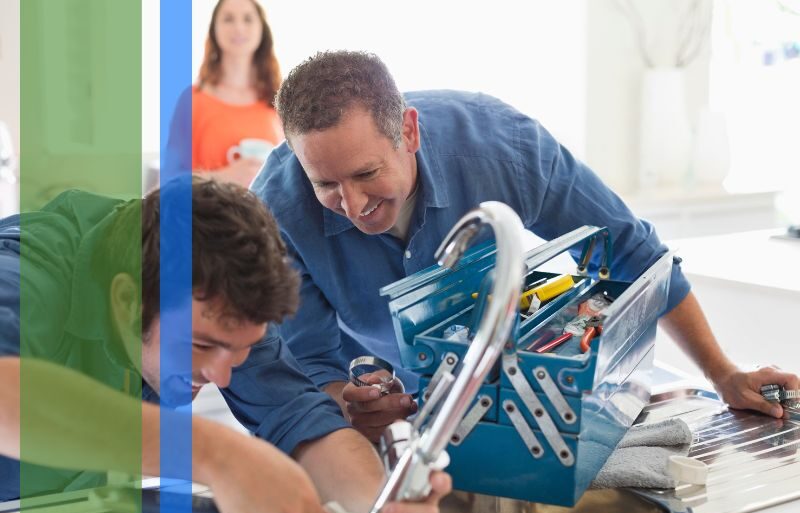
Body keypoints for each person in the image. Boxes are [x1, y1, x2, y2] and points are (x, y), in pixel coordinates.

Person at [251, 50, 799, 443]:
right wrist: (350, 405)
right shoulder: (275, 211)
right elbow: (311, 358)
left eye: (367, 173)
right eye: (326, 184)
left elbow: (635, 253)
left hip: (506, 385)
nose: (351, 203)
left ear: (410, 133)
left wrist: (723, 373)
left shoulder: (503, 147)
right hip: (382, 395)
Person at [0, 176, 449, 513]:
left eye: (239, 350)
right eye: (199, 345)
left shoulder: (221, 304)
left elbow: (298, 418)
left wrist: (378, 511)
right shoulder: (27, 276)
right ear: (125, 301)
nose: (221, 376)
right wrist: (218, 455)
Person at [191, 0, 283, 187]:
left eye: (248, 19)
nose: (239, 28)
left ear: (261, 29)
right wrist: (225, 176)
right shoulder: (193, 101)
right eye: (228, 19)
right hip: (208, 214)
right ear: (214, 29)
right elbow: (167, 182)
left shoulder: (279, 101)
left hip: (264, 214)